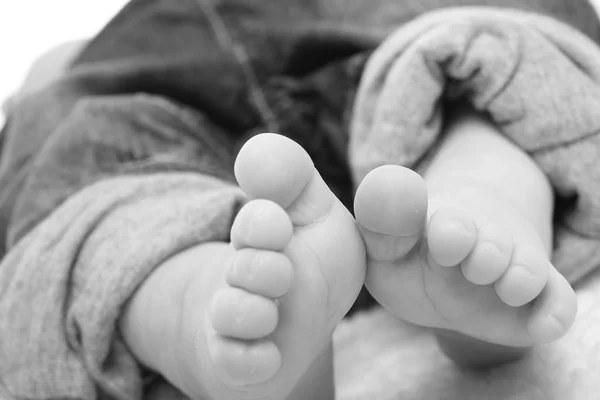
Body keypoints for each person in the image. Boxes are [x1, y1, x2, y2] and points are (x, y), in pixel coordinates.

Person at [1, 1, 600, 399]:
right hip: (381, 29)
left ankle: (195, 300)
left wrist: (46, 79)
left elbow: (42, 92)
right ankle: (479, 199)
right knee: (480, 72)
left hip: (157, 82)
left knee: (100, 179)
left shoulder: (88, 58)